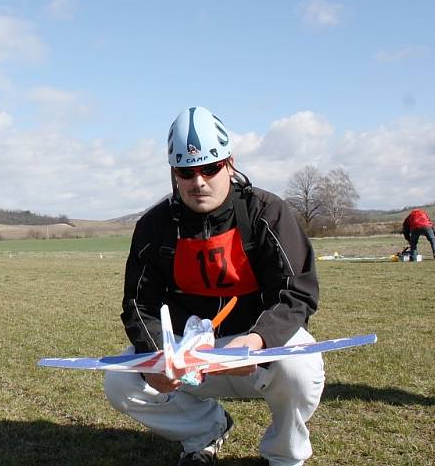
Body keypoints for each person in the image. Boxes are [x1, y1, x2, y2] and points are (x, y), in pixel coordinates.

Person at [104, 106, 324, 466]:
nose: (199, 181)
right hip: (190, 360)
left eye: (210, 168)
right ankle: (204, 432)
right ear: (174, 173)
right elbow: (138, 305)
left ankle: (285, 455)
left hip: (255, 354)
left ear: (230, 163)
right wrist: (159, 357)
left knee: (301, 366)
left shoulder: (269, 213)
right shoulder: (154, 226)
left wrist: (256, 341)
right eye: (186, 172)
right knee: (120, 381)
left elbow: (297, 293)